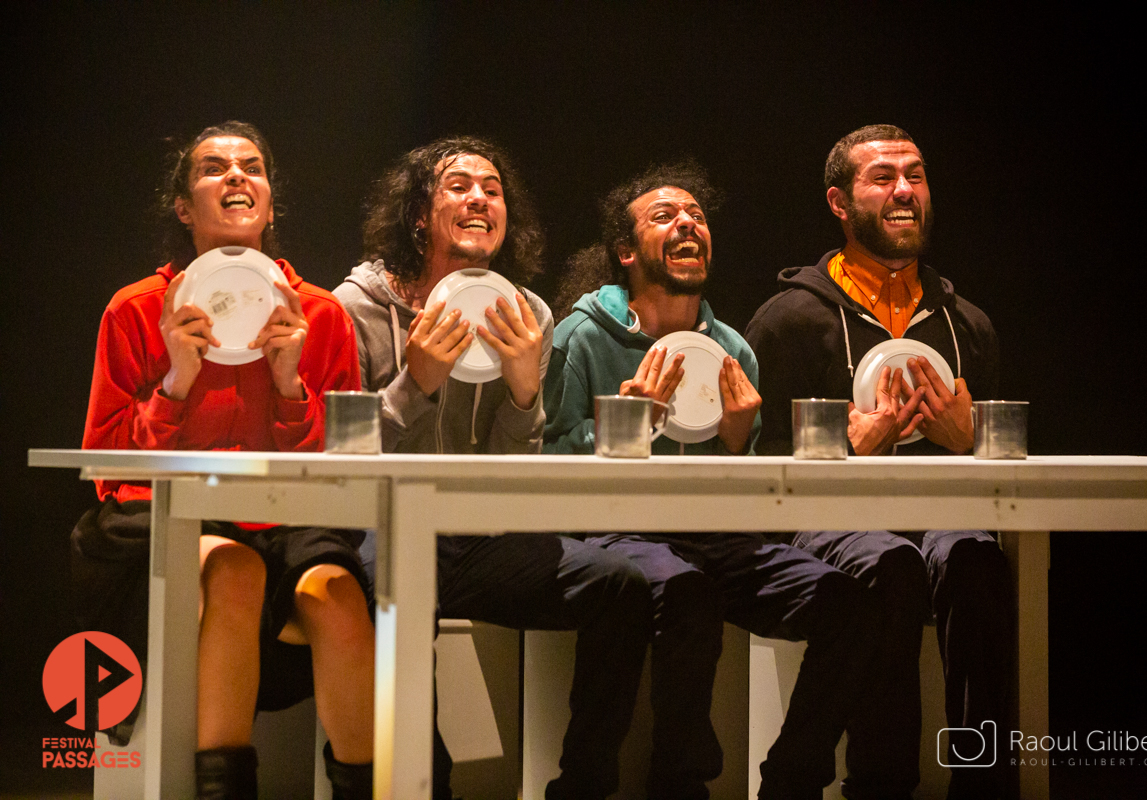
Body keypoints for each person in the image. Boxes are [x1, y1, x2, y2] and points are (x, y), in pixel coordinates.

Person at [544, 161, 880, 800]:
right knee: (688, 589)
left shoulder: (731, 347)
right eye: (664, 216)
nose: (686, 224)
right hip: (615, 531)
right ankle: (670, 785)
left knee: (848, 602)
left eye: (695, 215)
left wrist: (736, 441)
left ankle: (789, 780)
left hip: (716, 536)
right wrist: (625, 429)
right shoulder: (582, 336)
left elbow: (745, 482)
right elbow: (550, 453)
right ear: (625, 250)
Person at [333, 136, 651, 800]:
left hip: (483, 539)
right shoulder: (357, 307)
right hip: (386, 532)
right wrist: (413, 385)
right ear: (419, 215)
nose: (480, 198)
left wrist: (524, 392)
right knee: (394, 587)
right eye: (459, 186)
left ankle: (582, 787)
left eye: (493, 190)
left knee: (620, 583)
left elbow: (516, 467)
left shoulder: (526, 313)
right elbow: (347, 459)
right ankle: (425, 787)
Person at [72, 121, 374, 799]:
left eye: (252, 167)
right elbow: (107, 466)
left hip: (286, 521)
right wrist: (177, 380)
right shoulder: (137, 310)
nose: (237, 176)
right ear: (184, 207)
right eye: (213, 168)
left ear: (268, 199)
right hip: (159, 524)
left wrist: (292, 383)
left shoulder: (320, 315)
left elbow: (341, 467)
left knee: (338, 594)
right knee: (232, 569)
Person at [745, 124, 1014, 799]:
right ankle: (880, 785)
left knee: (978, 561)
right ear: (840, 203)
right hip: (828, 525)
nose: (904, 190)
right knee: (889, 565)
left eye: (916, 175)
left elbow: (1010, 454)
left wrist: (970, 438)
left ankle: (985, 784)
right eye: (884, 177)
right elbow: (752, 461)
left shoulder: (967, 323)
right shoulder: (787, 321)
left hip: (942, 519)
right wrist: (842, 450)